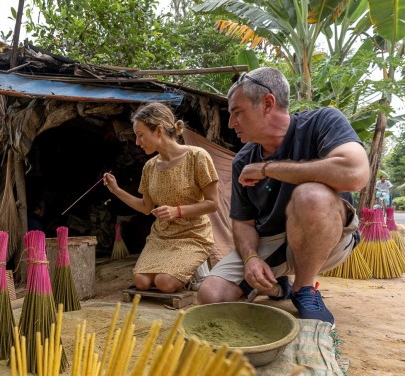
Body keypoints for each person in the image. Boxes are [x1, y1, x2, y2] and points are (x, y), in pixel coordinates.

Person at [197, 67, 369, 324]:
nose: (231, 123)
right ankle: (278, 288)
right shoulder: (243, 160)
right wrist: (251, 258)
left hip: (330, 238)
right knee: (211, 295)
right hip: (272, 242)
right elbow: (243, 222)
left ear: (268, 103)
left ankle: (304, 289)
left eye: (237, 112)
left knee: (311, 195)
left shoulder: (323, 121)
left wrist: (268, 169)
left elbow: (355, 173)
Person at [103, 102, 219, 293]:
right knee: (141, 282)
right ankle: (183, 273)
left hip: (192, 235)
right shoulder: (149, 167)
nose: (137, 142)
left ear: (158, 130)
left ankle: (196, 272)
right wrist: (116, 190)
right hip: (161, 237)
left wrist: (177, 211)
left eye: (140, 135)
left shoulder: (197, 156)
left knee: (164, 283)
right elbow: (145, 207)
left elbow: (213, 204)